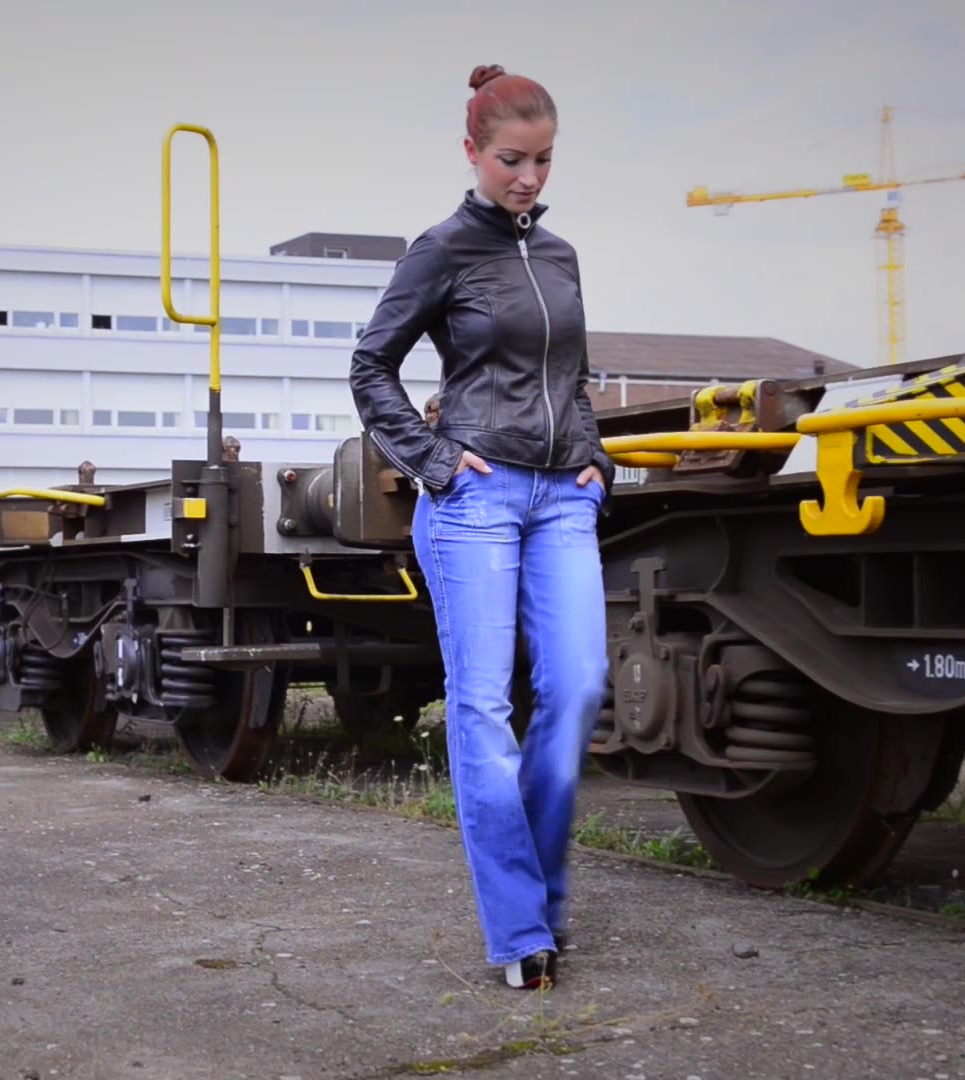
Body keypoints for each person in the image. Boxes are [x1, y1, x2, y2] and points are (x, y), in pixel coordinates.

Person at [348, 63, 612, 991]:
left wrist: (594, 456)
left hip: (562, 498)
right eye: (511, 160)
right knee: (483, 707)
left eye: (544, 160)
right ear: (472, 151)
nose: (529, 178)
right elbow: (370, 366)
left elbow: (573, 375)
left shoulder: (561, 257)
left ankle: (538, 893)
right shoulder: (442, 250)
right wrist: (433, 462)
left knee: (578, 686)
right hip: (477, 500)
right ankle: (521, 928)